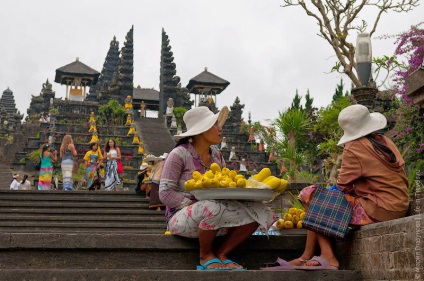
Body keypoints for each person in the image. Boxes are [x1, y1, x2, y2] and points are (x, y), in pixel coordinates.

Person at [265, 104, 409, 270]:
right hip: (400, 206)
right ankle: (306, 255)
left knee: (310, 194)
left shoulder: (355, 146)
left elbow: (342, 187)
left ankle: (328, 256)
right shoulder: (385, 141)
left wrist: (323, 197)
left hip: (380, 210)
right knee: (319, 201)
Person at [159, 106, 275, 270]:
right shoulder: (178, 155)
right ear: (201, 130)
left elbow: (223, 185)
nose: (220, 129)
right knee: (212, 207)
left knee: (262, 211)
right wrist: (192, 203)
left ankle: (222, 253)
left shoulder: (217, 155)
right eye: (214, 125)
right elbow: (165, 193)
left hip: (215, 213)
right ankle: (205, 255)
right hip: (181, 217)